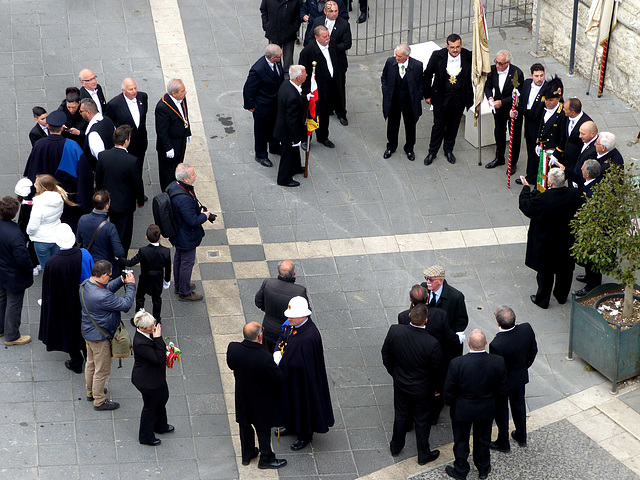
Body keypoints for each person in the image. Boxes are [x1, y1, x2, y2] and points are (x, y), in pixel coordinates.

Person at [382, 304, 442, 465]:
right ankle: (423, 454)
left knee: (400, 414)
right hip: (422, 388)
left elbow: (385, 354)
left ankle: (396, 446)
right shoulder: (432, 343)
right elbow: (437, 370)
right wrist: (436, 388)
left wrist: (394, 373)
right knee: (422, 421)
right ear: (426, 320)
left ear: (409, 316)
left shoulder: (395, 331)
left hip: (401, 383)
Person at [443, 329, 507, 480]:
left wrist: (452, 404)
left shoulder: (457, 363)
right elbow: (502, 389)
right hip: (486, 409)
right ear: (486, 343)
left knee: (461, 441)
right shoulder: (498, 361)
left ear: (469, 344)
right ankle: (483, 469)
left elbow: (449, 390)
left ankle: (461, 470)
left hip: (462, 410)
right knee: (483, 440)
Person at [519, 168, 584, 309]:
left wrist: (525, 189)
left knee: (545, 272)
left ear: (549, 182)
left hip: (546, 241)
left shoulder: (543, 199)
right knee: (565, 271)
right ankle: (561, 296)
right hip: (567, 240)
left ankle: (542, 299)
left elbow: (526, 207)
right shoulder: (575, 195)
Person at [274, 296, 334, 451]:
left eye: (292, 316)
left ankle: (305, 435)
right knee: (291, 404)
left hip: (304, 382)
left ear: (302, 316)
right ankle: (291, 425)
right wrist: (278, 352)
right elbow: (283, 339)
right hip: (292, 378)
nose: (288, 319)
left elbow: (301, 362)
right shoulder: (293, 326)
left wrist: (283, 361)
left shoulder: (309, 336)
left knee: (304, 406)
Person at [227, 322, 288, 469]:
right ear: (260, 336)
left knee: (245, 426)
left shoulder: (233, 348)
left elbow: (231, 365)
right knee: (263, 429)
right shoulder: (264, 357)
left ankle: (247, 455)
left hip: (242, 396)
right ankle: (266, 458)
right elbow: (278, 378)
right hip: (261, 399)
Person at [80, 260, 136, 410]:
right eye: (110, 276)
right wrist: (130, 285)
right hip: (100, 337)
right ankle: (99, 401)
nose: (110, 278)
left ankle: (90, 391)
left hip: (88, 332)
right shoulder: (102, 297)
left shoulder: (86, 284)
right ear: (104, 275)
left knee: (91, 363)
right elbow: (126, 305)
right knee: (102, 370)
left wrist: (120, 281)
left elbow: (105, 290)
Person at [39, 223, 93, 373]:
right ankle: (90, 361)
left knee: (69, 332)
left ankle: (76, 362)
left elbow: (49, 289)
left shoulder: (51, 263)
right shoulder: (84, 255)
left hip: (63, 305)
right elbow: (90, 278)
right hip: (83, 303)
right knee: (85, 332)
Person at [22, 109, 94, 221]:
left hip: (44, 193)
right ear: (62, 128)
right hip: (67, 196)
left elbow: (31, 170)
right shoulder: (72, 146)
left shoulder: (39, 145)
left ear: (48, 127)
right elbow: (85, 174)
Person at [488, 306, 538, 453]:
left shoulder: (496, 344)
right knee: (519, 406)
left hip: (503, 384)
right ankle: (521, 436)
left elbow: (497, 368)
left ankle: (503, 442)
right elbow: (533, 351)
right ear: (515, 317)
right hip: (519, 378)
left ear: (498, 324)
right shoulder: (526, 329)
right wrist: (523, 367)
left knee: (502, 411)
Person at [423, 33, 473, 166]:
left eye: (457, 47)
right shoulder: (438, 56)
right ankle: (432, 151)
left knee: (453, 126)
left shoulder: (469, 56)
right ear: (447, 46)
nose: (455, 50)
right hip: (441, 98)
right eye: (452, 47)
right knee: (438, 126)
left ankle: (448, 150)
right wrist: (427, 95)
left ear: (461, 45)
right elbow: (427, 75)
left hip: (459, 99)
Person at [95, 125, 145, 254]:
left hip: (107, 202)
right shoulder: (132, 161)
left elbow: (98, 179)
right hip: (125, 204)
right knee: (124, 234)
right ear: (127, 141)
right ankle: (121, 259)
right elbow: (137, 184)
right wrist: (140, 200)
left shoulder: (103, 156)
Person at [168, 164, 214, 301]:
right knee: (187, 263)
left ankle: (179, 285)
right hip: (186, 236)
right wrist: (205, 216)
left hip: (178, 233)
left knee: (179, 259)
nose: (196, 176)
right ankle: (185, 292)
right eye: (193, 174)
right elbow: (192, 221)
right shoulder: (184, 198)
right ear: (186, 179)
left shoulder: (175, 186)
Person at [132, 309, 174, 446]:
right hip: (148, 381)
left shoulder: (147, 334)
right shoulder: (140, 342)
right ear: (142, 328)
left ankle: (160, 425)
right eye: (151, 326)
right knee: (150, 406)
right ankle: (145, 436)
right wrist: (158, 339)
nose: (154, 327)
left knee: (163, 398)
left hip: (156, 377)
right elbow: (159, 360)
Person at [299, 25, 344, 146]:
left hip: (329, 87)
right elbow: (304, 73)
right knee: (311, 114)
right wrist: (308, 91)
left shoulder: (332, 43)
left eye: (328, 35)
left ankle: (323, 137)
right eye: (324, 37)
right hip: (315, 90)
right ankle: (305, 139)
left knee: (324, 115)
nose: (328, 38)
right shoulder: (307, 52)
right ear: (316, 37)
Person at [243, 44, 284, 168]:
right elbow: (248, 88)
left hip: (274, 103)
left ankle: (274, 146)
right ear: (272, 58)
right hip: (262, 105)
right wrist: (249, 105)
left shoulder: (277, 62)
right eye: (280, 56)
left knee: (274, 126)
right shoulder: (258, 69)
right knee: (261, 131)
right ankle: (261, 154)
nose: (282, 57)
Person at [120, 225, 171, 323]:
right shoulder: (166, 251)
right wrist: (167, 280)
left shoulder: (143, 251)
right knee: (156, 300)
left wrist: (119, 259)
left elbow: (131, 262)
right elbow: (168, 268)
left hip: (145, 279)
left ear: (146, 238)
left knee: (140, 297)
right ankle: (156, 320)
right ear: (160, 237)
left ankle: (139, 320)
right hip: (158, 280)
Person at [255, 259, 309, 353]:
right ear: (294, 273)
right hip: (287, 332)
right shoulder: (300, 291)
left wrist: (268, 310)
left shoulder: (267, 283)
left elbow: (258, 302)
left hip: (268, 329)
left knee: (268, 355)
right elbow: (305, 313)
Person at [483, 50, 524, 174]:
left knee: (514, 136)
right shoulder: (493, 70)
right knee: (499, 132)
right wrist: (490, 98)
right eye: (496, 62)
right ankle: (499, 157)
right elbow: (488, 86)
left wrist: (503, 102)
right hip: (498, 108)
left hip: (512, 108)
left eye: (501, 64)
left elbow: (518, 94)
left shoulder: (517, 73)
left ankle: (512, 163)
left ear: (508, 63)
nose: (498, 66)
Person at [381, 44, 423, 162]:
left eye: (399, 56)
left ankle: (409, 148)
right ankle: (391, 146)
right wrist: (386, 91)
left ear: (407, 56)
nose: (397, 58)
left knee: (410, 126)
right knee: (392, 125)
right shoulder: (390, 62)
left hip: (409, 102)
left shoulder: (417, 65)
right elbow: (384, 77)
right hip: (394, 101)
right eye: (396, 55)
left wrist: (417, 96)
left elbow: (421, 83)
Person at [0, 196, 33, 346]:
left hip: (1, 271)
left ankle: (1, 328)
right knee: (14, 303)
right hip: (14, 275)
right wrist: (29, 270)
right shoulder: (15, 234)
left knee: (1, 300)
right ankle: (12, 335)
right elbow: (22, 259)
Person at [312, 1, 352, 125]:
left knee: (339, 87)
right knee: (323, 86)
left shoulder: (344, 25)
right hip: (321, 62)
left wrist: (330, 46)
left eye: (336, 11)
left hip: (338, 62)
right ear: (325, 12)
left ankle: (341, 112)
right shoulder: (318, 21)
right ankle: (327, 108)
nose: (334, 14)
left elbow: (347, 44)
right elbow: (310, 38)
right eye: (331, 11)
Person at [27, 174, 76, 268]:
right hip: (55, 236)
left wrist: (29, 232)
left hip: (41, 239)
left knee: (47, 268)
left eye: (36, 184)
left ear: (43, 187)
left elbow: (33, 226)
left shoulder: (39, 204)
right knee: (57, 266)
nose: (34, 185)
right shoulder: (59, 197)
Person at [421, 265, 468, 357]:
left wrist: (448, 333)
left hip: (444, 342)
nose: (427, 282)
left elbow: (462, 321)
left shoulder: (456, 296)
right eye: (426, 278)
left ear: (441, 280)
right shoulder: (423, 288)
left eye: (431, 280)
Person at [105, 78, 149, 175]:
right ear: (123, 91)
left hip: (141, 141)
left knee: (139, 165)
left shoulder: (143, 97)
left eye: (135, 88)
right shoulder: (114, 104)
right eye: (130, 89)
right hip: (126, 143)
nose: (134, 91)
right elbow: (108, 122)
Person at [77, 190, 125, 278]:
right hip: (104, 266)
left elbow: (79, 240)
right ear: (107, 206)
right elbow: (119, 252)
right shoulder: (109, 227)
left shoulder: (82, 219)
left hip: (88, 263)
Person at [274, 65, 308, 187]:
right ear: (299, 78)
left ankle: (296, 167)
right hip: (288, 132)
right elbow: (291, 120)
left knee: (294, 152)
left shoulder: (286, 84)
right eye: (304, 74)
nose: (306, 75)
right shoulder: (292, 96)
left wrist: (304, 98)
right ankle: (283, 178)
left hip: (283, 126)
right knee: (287, 155)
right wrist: (295, 138)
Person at [516, 63, 550, 185]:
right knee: (531, 151)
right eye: (536, 76)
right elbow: (522, 101)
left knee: (539, 153)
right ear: (531, 75)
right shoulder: (526, 84)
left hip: (540, 124)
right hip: (528, 121)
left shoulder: (548, 88)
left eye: (541, 75)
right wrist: (516, 111)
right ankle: (530, 176)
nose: (539, 78)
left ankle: (539, 180)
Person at [155, 78, 192, 191]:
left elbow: (184, 115)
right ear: (174, 93)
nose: (185, 93)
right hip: (169, 146)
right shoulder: (163, 107)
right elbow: (161, 131)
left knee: (178, 165)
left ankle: (178, 185)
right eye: (182, 91)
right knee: (167, 171)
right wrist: (168, 148)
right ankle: (168, 192)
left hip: (180, 141)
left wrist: (188, 131)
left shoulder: (182, 98)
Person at [259, 0, 302, 74]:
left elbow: (298, 14)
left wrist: (294, 28)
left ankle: (287, 76)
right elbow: (263, 10)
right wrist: (266, 26)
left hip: (289, 34)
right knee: (273, 57)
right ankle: (274, 74)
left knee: (288, 59)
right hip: (273, 32)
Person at [552, 98, 592, 173]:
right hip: (566, 158)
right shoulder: (566, 117)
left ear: (573, 112)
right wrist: (557, 153)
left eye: (566, 109)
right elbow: (564, 136)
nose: (563, 109)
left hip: (577, 161)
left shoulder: (586, 124)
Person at [554, 120, 598, 190]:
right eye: (580, 133)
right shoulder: (586, 141)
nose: (580, 136)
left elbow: (586, 175)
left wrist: (565, 170)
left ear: (592, 134)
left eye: (583, 134)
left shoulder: (594, 151)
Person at [79, 98, 115, 170]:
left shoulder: (93, 134)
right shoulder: (107, 119)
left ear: (88, 112)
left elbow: (101, 158)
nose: (80, 113)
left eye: (81, 111)